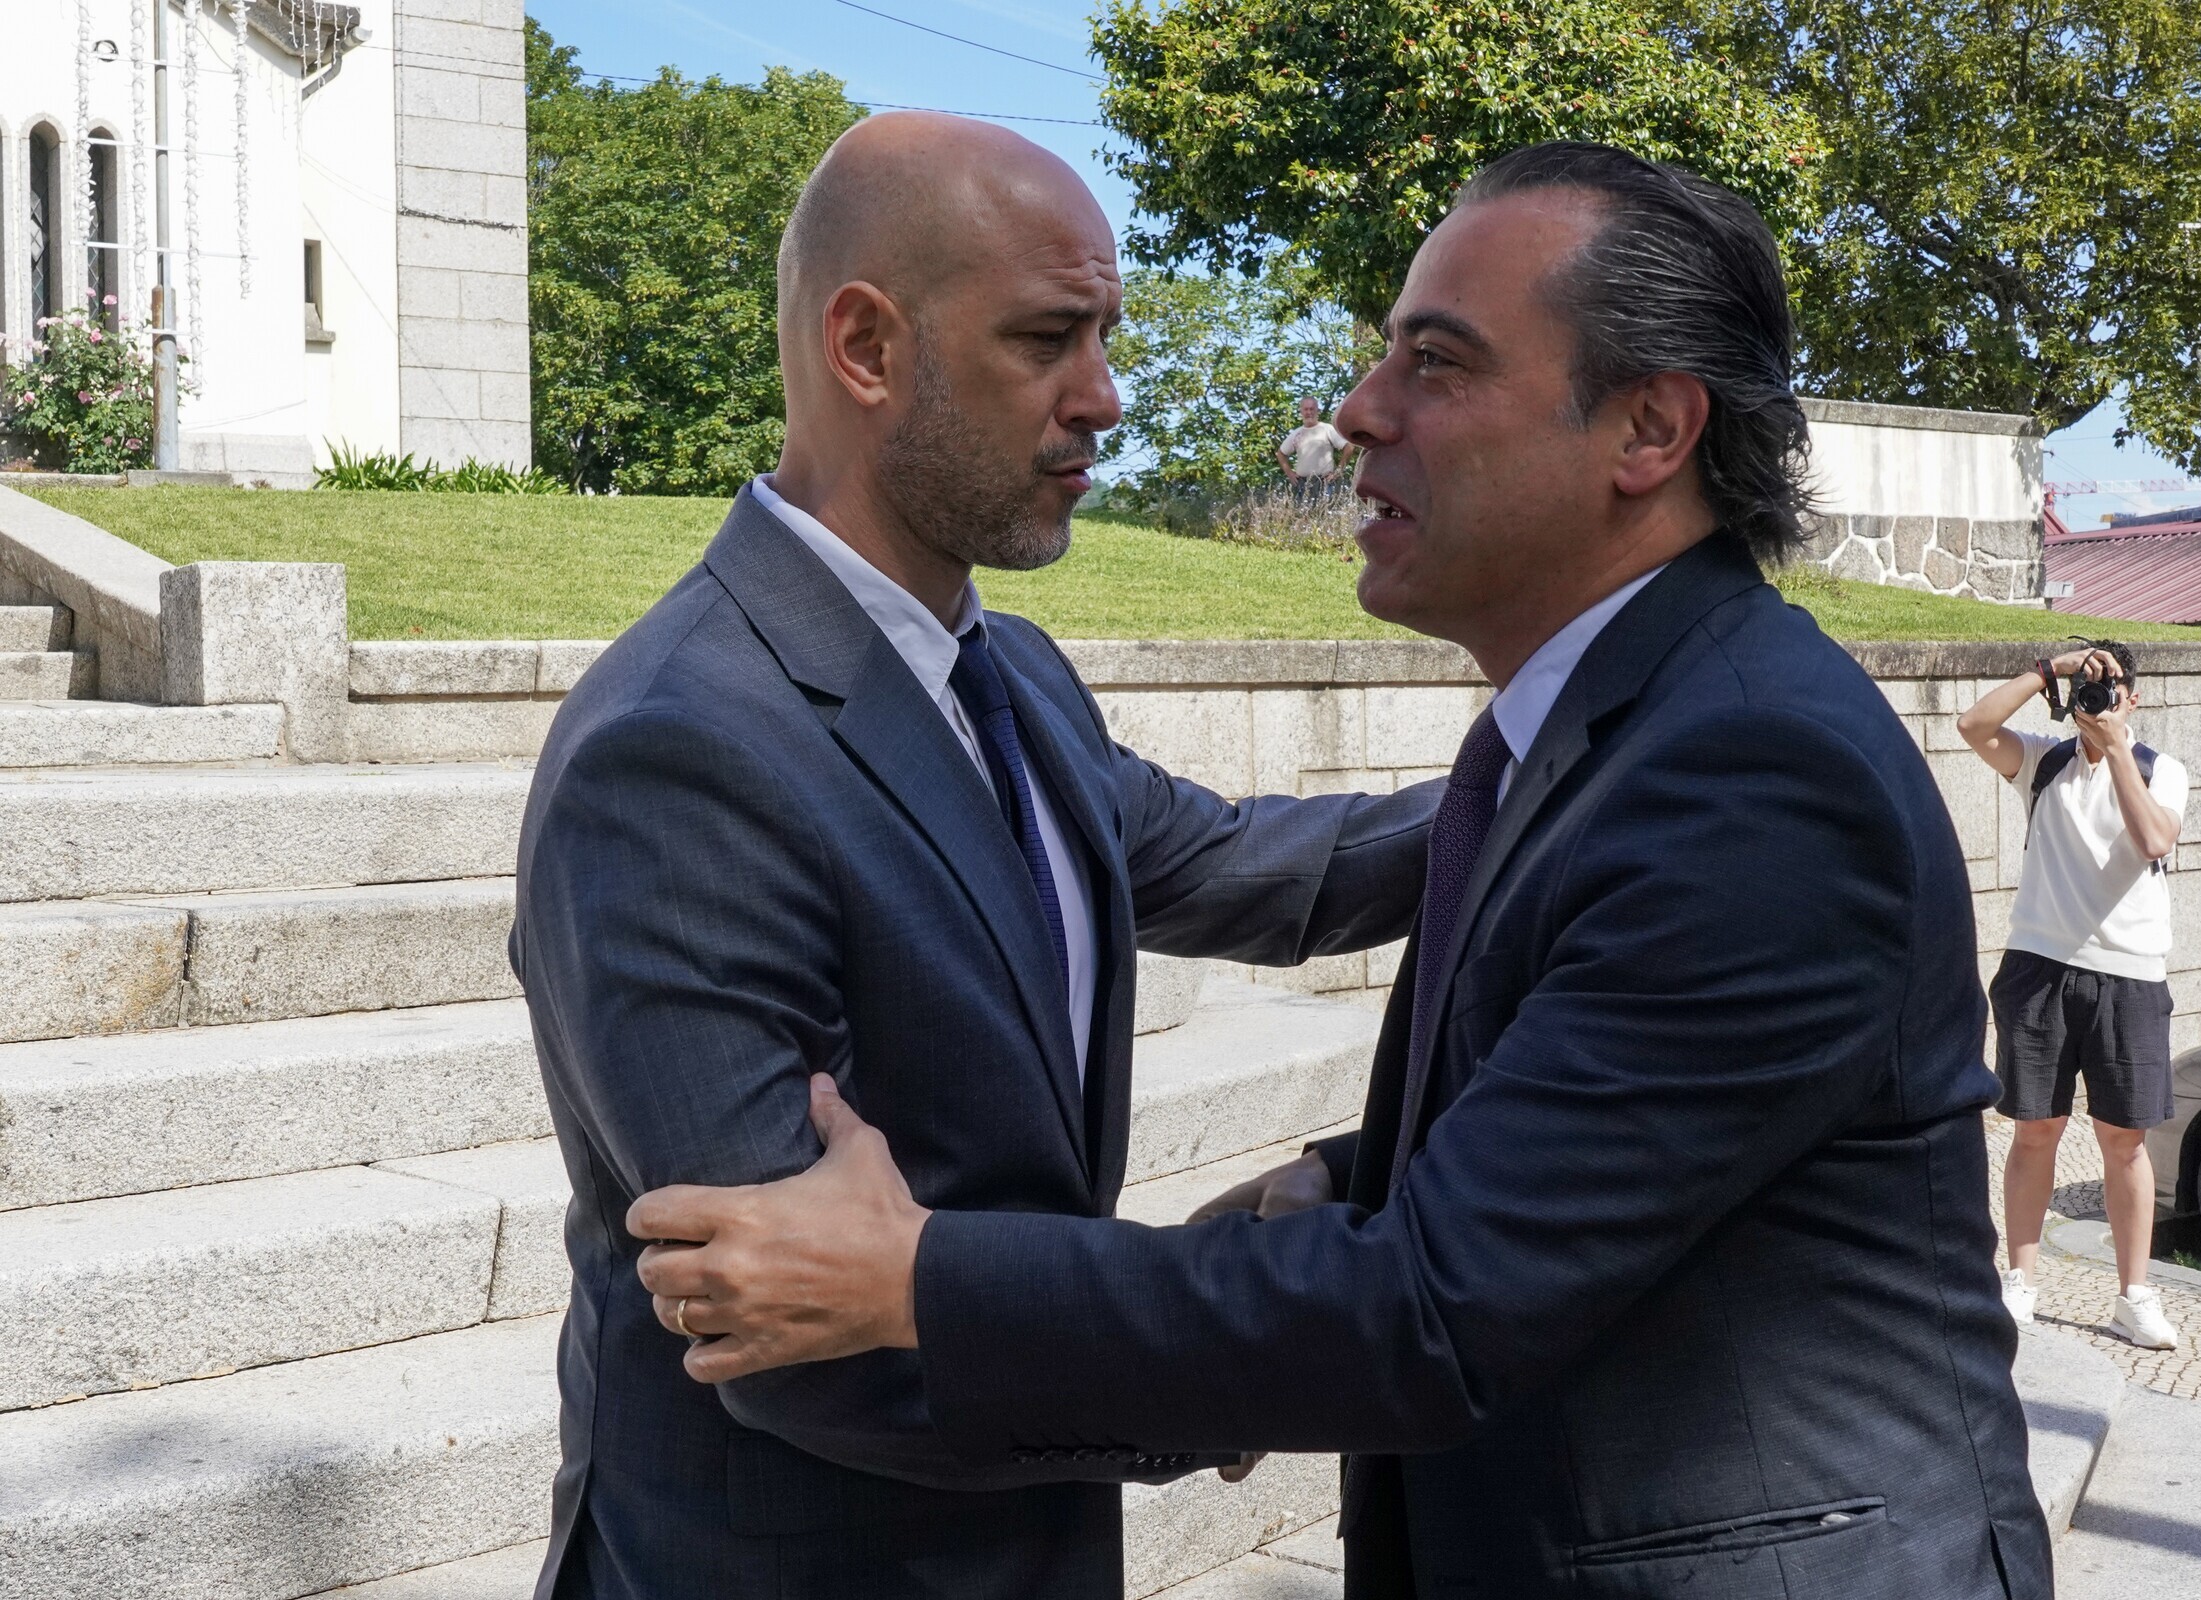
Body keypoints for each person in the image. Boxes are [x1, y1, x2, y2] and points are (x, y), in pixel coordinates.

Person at [628, 142, 2051, 1600]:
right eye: (1048, 337)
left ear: (1646, 429)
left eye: (1436, 363)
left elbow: (1431, 1306)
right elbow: (1626, 1116)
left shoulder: (1746, 778)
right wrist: (1347, 1183)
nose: (1360, 409)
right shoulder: (684, 740)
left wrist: (914, 1281)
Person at [509, 111, 1438, 1600]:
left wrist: (1558, 777)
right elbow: (802, 1346)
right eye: (1047, 338)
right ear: (865, 347)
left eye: (1105, 336)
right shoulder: (679, 749)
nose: (1105, 396)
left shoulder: (1014, 676)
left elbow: (1243, 866)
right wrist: (1231, 1351)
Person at [1956, 643, 2186, 1351]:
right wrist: (2047, 671)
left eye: (2109, 688)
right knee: (2035, 1130)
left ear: (2133, 699)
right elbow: (1973, 726)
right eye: (2088, 688)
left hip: (2130, 975)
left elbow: (2154, 839)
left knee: (2124, 1141)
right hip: (2039, 968)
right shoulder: (2043, 759)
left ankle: (2134, 1297)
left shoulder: (2161, 770)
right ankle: (2020, 1280)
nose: (2097, 698)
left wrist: (2115, 747)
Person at [1277, 394, 1352, 496]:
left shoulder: (1327, 429)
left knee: (1325, 507)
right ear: (1301, 411)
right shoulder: (1297, 433)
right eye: (1306, 409)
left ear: (1317, 410)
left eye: (1312, 409)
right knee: (1300, 507)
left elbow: (1349, 447)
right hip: (1301, 484)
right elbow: (1281, 454)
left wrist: (1338, 472)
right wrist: (1289, 473)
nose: (1309, 412)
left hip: (1324, 482)